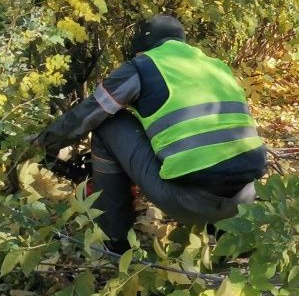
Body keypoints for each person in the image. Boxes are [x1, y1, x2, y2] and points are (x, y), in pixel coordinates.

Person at [34, 14, 268, 251]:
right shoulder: (217, 67)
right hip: (244, 200)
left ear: (141, 48)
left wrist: (42, 144)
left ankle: (114, 241)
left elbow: (88, 114)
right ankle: (223, 231)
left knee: (107, 124)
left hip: (188, 203)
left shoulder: (142, 66)